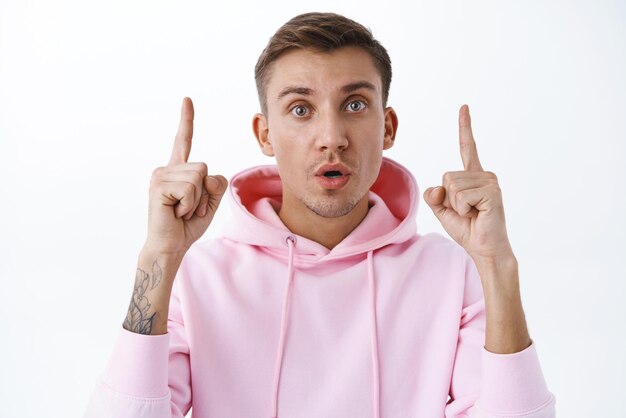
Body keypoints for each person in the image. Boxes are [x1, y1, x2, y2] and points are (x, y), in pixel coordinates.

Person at [84, 12, 556, 418]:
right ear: (265, 135)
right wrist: (159, 258)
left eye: (354, 105)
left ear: (386, 126)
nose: (331, 136)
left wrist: (497, 264)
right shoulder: (199, 277)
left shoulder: (453, 273)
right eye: (301, 109)